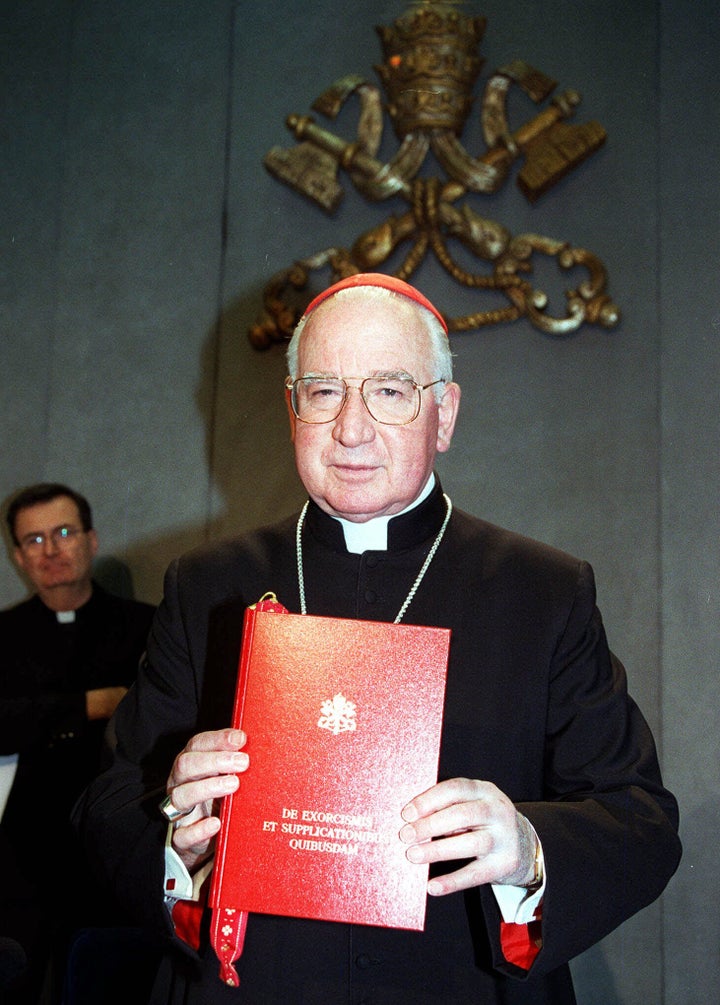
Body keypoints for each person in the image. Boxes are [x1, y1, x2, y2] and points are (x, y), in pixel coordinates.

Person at [75, 275, 681, 1004]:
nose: (351, 429)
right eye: (324, 391)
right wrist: (178, 836)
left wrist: (527, 847)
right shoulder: (208, 585)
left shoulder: (543, 591)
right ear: (292, 406)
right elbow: (108, 806)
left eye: (390, 391)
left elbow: (639, 820)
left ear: (444, 414)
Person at [0, 483, 156, 1002]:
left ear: (91, 540)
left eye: (63, 533)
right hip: (24, 848)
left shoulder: (147, 625)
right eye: (34, 540)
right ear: (19, 556)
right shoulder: (4, 634)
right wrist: (93, 704)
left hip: (116, 843)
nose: (50, 550)